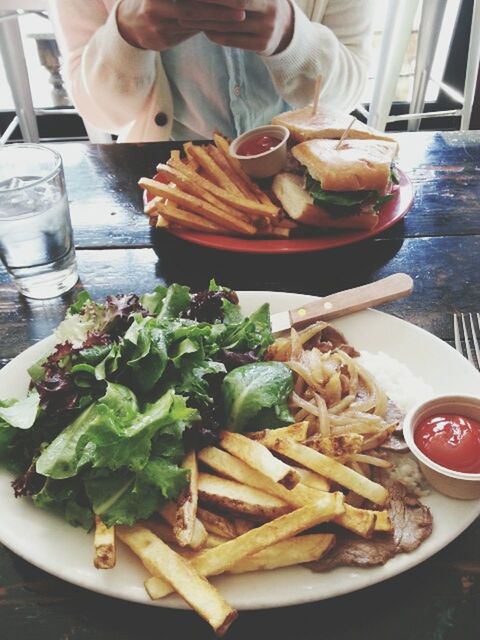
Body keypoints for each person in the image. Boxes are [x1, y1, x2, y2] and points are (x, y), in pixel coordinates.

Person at [49, 0, 375, 142]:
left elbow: (350, 91)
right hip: (170, 176)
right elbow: (99, 114)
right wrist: (125, 37)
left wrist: (293, 38)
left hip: (306, 161)